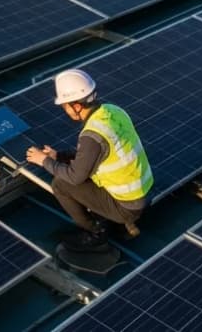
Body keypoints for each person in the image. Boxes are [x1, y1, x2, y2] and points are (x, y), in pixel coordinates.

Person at [25, 69, 152, 251]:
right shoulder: (113, 111)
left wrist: (43, 161)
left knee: (61, 184)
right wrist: (58, 156)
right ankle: (119, 220)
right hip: (143, 193)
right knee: (74, 170)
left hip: (127, 207)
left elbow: (75, 177)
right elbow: (98, 154)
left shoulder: (92, 135)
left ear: (76, 106)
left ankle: (96, 232)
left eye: (65, 106)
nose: (65, 110)